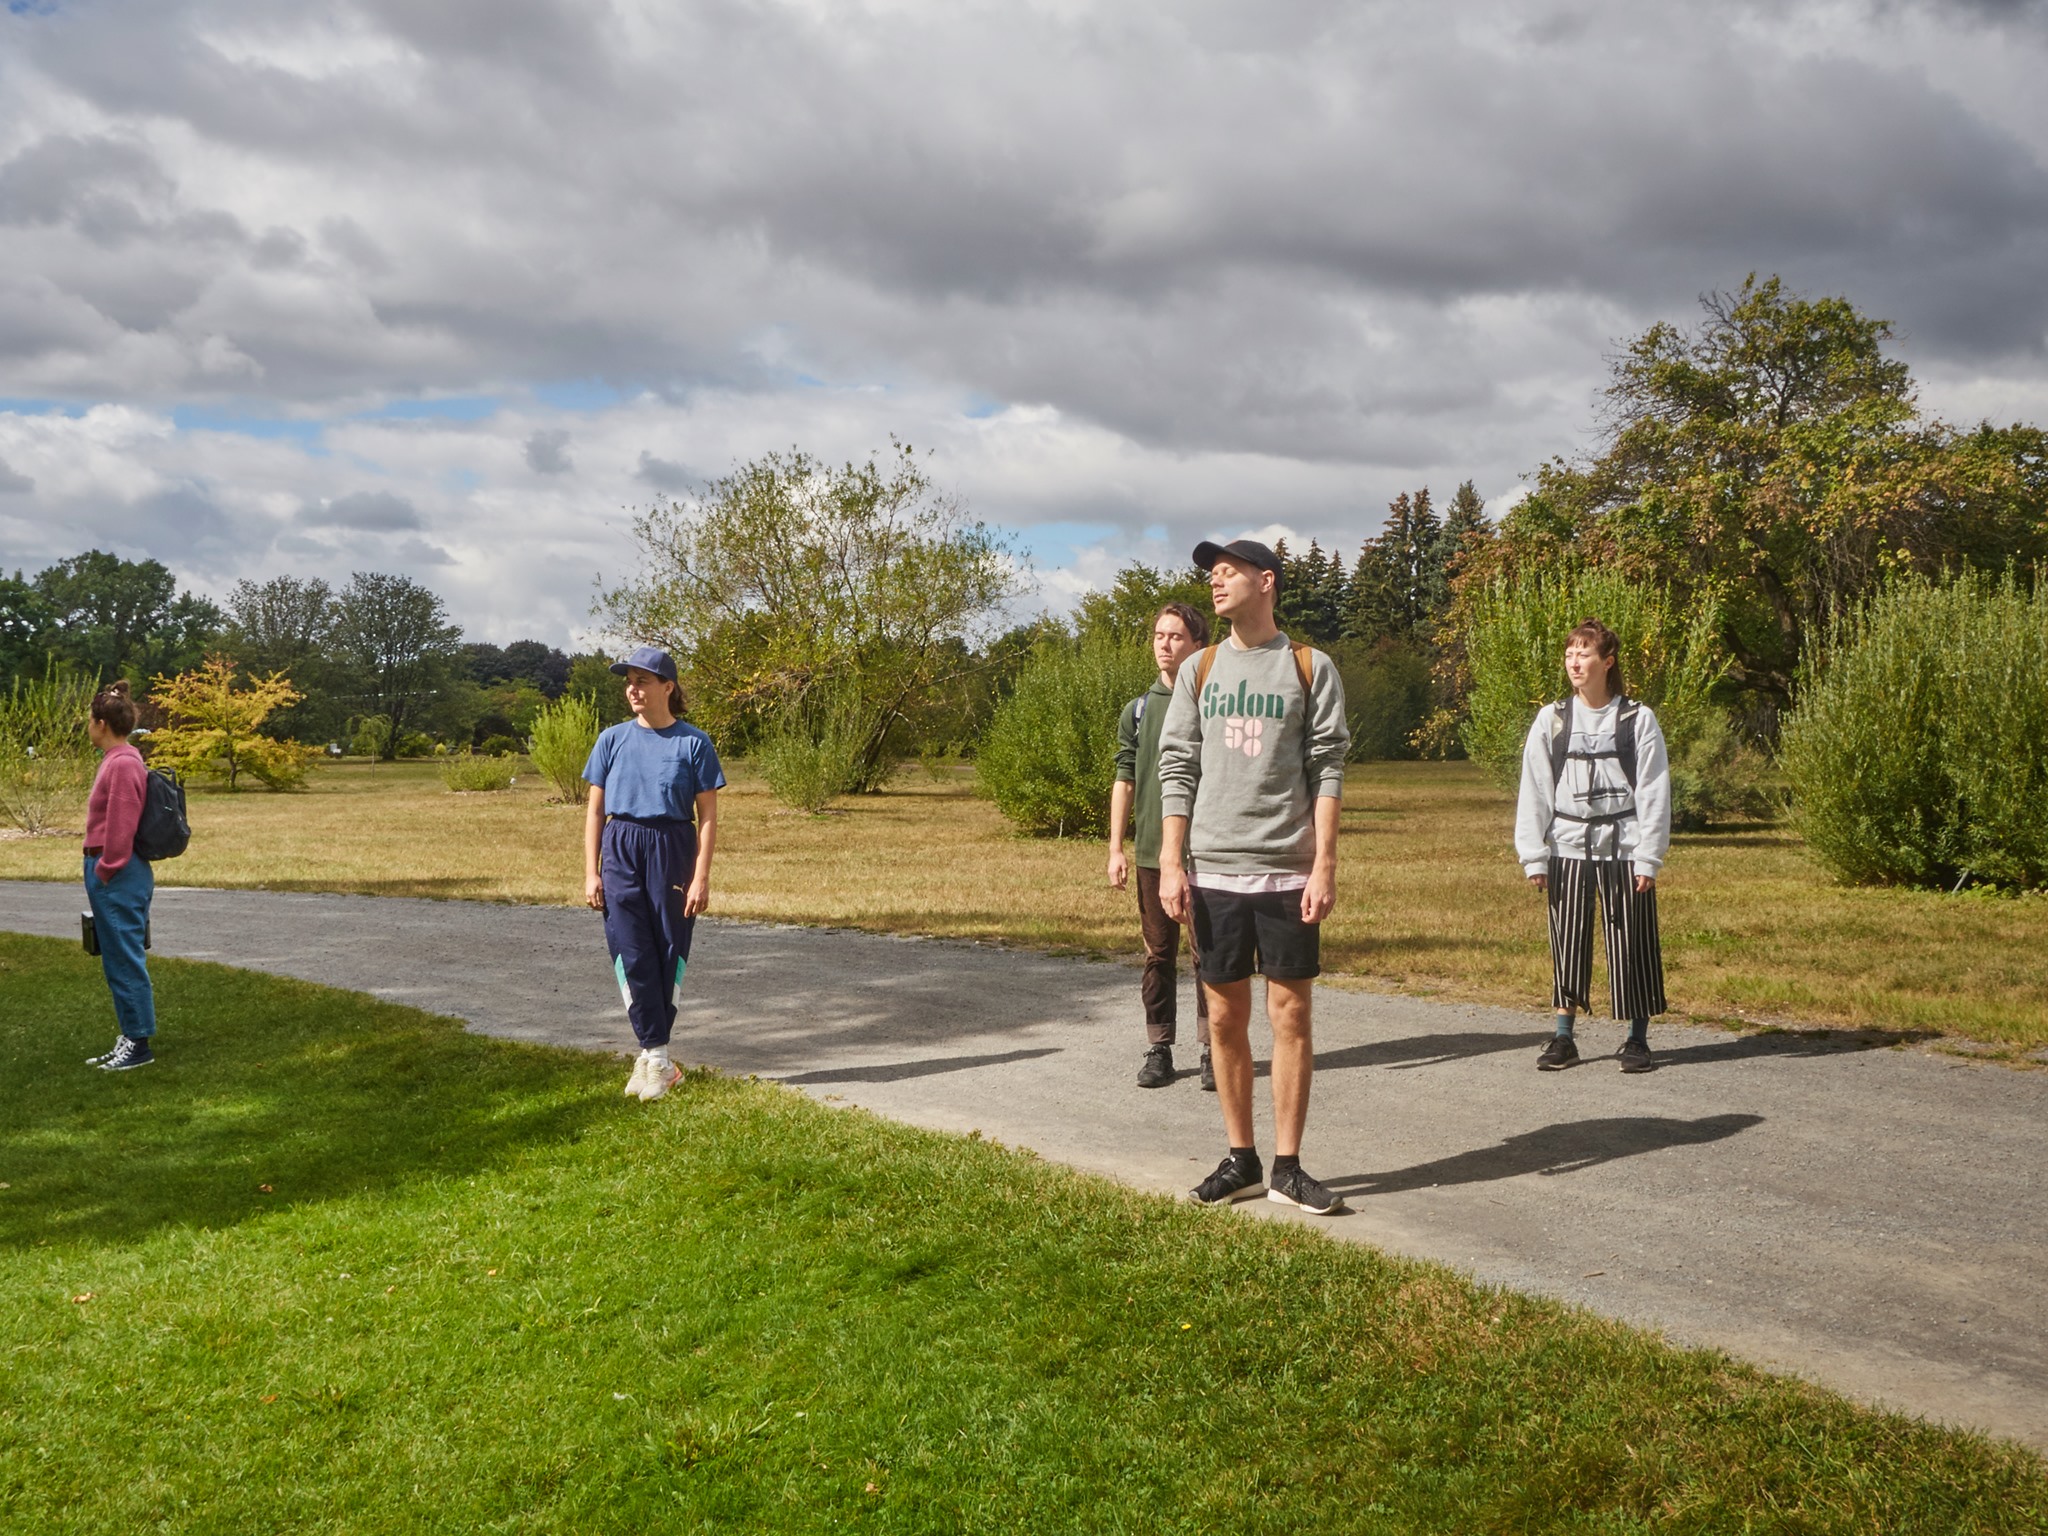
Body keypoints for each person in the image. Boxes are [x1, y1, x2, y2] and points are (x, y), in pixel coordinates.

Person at [1158, 538, 1352, 1214]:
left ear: (1265, 581)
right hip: (1213, 869)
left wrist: (1324, 863)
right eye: (1212, 574)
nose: (1216, 582)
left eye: (1228, 572)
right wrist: (1172, 863)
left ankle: (1287, 1168)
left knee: (1290, 1014)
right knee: (1223, 1015)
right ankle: (1240, 1159)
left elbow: (1328, 766)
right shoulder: (1200, 668)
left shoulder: (1309, 667)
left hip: (1287, 871)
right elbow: (1177, 767)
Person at [1515, 618, 1672, 1073]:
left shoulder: (1637, 719)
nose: (1574, 663)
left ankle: (1637, 1039)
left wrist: (1648, 857)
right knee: (1567, 942)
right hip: (1567, 848)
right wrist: (1534, 854)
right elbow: (1535, 789)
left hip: (1625, 847)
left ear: (1608, 662)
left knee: (1633, 943)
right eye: (1569, 655)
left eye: (1583, 654)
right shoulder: (1552, 719)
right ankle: (1563, 1037)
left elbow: (1654, 790)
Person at [582, 646, 725, 1101]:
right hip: (620, 846)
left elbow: (707, 817)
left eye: (642, 681)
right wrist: (591, 872)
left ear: (668, 687)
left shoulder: (694, 743)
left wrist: (701, 876)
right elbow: (595, 811)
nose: (633, 689)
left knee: (667, 949)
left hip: (672, 848)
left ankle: (654, 1057)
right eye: (629, 682)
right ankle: (657, 1056)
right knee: (629, 948)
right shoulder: (611, 740)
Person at [1108, 601, 1213, 1090]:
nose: (1165, 645)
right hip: (1153, 852)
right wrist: (1116, 847)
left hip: (1208, 853)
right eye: (1158, 636)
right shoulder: (1139, 709)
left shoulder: (1213, 703)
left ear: (1198, 646)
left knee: (1210, 956)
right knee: (1158, 955)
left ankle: (1214, 1049)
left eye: (1175, 637)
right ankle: (1160, 1049)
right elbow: (1125, 778)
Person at [82, 681, 157, 1071]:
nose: (87, 727)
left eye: (89, 721)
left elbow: (121, 824)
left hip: (118, 872)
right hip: (112, 870)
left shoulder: (124, 762)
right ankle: (130, 1035)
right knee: (116, 958)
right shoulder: (116, 758)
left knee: (125, 960)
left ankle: (139, 1043)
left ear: (101, 723)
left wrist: (106, 869)